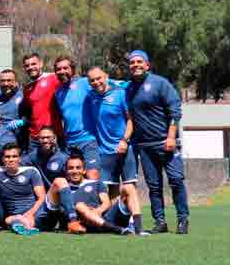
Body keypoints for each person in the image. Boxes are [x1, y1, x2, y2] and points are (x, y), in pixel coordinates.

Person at [125, 50, 190, 234]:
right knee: (154, 186)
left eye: (139, 62)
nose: (135, 65)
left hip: (165, 143)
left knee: (176, 181)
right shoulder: (129, 89)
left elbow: (174, 111)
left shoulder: (160, 83)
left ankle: (183, 219)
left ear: (147, 65)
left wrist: (170, 137)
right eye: (132, 62)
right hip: (145, 146)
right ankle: (160, 222)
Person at [84, 66, 146, 235]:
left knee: (129, 187)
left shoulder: (120, 93)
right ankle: (117, 224)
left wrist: (124, 140)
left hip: (124, 148)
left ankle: (137, 226)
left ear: (106, 77)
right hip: (104, 152)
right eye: (92, 80)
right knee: (111, 192)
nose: (96, 82)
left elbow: (131, 120)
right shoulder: (90, 97)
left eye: (99, 78)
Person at [41, 154, 139, 235]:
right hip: (81, 224)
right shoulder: (62, 188)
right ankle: (115, 229)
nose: (75, 171)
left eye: (78, 168)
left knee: (128, 187)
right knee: (80, 205)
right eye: (71, 168)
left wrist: (98, 211)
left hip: (103, 218)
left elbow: (106, 203)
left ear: (84, 170)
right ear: (66, 171)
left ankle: (139, 229)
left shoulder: (96, 183)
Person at [53, 56, 101, 179]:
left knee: (92, 177)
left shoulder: (85, 83)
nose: (62, 71)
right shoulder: (58, 92)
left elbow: (108, 85)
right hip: (69, 143)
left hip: (88, 140)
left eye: (65, 68)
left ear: (72, 70)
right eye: (58, 69)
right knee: (69, 178)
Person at [0, 144, 48, 235]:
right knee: (8, 219)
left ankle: (25, 225)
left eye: (14, 156)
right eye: (7, 157)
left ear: (20, 158)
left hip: (34, 211)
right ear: (3, 159)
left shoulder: (31, 171)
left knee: (34, 218)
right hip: (13, 215)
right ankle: (25, 226)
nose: (11, 159)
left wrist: (30, 213)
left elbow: (42, 198)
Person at [18, 52, 63, 152]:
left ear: (41, 64)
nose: (30, 67)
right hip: (34, 137)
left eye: (33, 64)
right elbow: (30, 112)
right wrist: (23, 121)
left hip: (52, 136)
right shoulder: (27, 88)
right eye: (27, 65)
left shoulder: (53, 78)